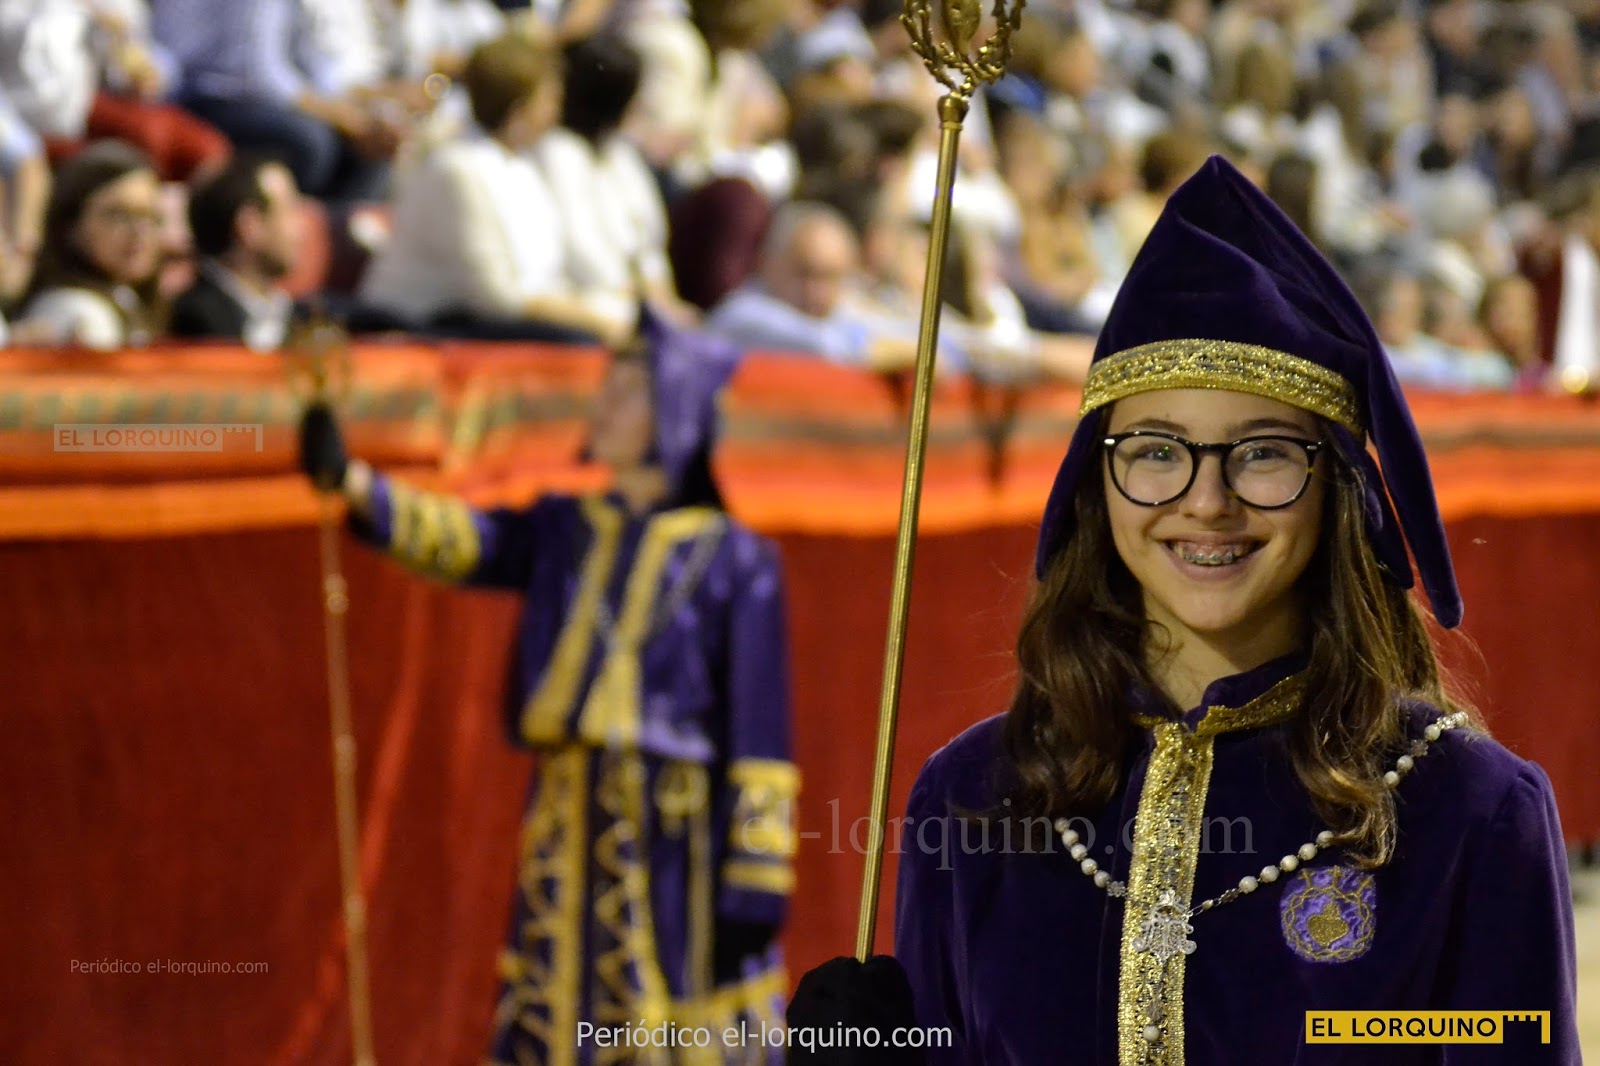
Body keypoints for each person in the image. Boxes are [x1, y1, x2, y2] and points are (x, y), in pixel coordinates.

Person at [787, 155, 1580, 1063]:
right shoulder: (970, 798)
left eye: (1263, 453)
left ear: (1339, 489)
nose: (1206, 502)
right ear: (1095, 485)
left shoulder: (1471, 812)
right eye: (1157, 451)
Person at [298, 309, 797, 1064]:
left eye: (627, 392)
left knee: (674, 1009)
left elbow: (760, 731)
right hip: (569, 811)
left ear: (675, 414)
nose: (604, 406)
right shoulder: (566, 528)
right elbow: (467, 542)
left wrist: (755, 878)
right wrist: (355, 483)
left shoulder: (736, 560)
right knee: (557, 995)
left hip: (674, 834)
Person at [16, 139, 165, 348]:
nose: (139, 232)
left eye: (151, 217)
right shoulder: (76, 311)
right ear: (70, 226)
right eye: (118, 215)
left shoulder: (126, 298)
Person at [169, 154, 301, 349]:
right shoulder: (197, 321)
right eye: (289, 211)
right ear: (250, 226)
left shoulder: (295, 314)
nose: (300, 229)